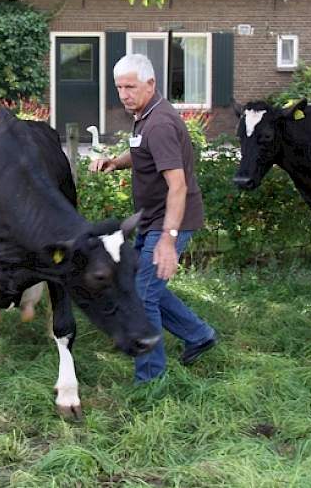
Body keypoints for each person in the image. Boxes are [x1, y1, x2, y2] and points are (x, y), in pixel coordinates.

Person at [90, 53, 217, 383]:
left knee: (142, 294)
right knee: (145, 287)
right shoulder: (146, 115)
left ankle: (150, 378)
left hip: (171, 219)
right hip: (152, 217)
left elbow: (178, 185)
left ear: (151, 84)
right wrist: (115, 162)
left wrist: (168, 240)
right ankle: (198, 335)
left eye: (130, 86)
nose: (124, 94)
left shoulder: (159, 124)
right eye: (119, 88)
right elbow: (140, 151)